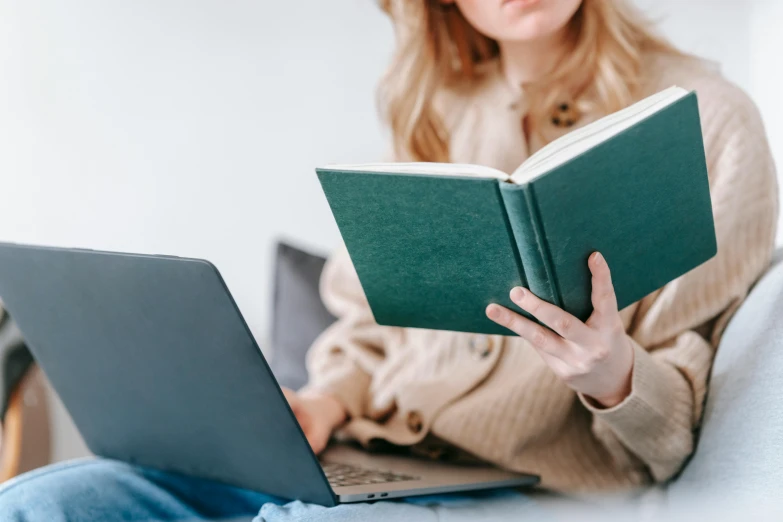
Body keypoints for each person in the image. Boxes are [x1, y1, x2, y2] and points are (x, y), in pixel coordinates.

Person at [0, 0, 778, 520]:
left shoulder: (706, 124)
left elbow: (674, 429)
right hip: (373, 458)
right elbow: (367, 328)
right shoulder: (437, 108)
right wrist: (324, 401)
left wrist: (612, 377)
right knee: (45, 503)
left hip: (522, 486)